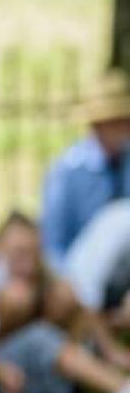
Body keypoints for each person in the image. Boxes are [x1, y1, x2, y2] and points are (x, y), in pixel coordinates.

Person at [0, 213, 130, 393]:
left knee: (63, 297)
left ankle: (99, 376)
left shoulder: (43, 278)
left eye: (33, 253)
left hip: (39, 364)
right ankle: (121, 388)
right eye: (19, 253)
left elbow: (81, 306)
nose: (27, 263)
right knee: (39, 334)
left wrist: (111, 350)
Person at [42, 74, 130, 329]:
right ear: (98, 125)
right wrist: (65, 284)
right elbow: (53, 244)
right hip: (79, 274)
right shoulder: (67, 171)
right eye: (117, 122)